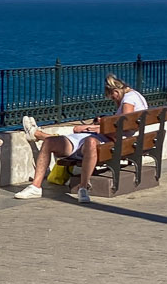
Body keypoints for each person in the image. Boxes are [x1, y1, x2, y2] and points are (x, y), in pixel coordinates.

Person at [15, 74, 148, 204]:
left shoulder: (128, 99)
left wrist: (95, 128)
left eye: (113, 98)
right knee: (50, 142)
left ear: (116, 91)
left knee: (88, 140)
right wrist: (98, 126)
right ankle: (35, 185)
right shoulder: (137, 96)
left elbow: (124, 123)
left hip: (110, 141)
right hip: (111, 139)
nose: (114, 101)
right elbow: (123, 124)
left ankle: (83, 187)